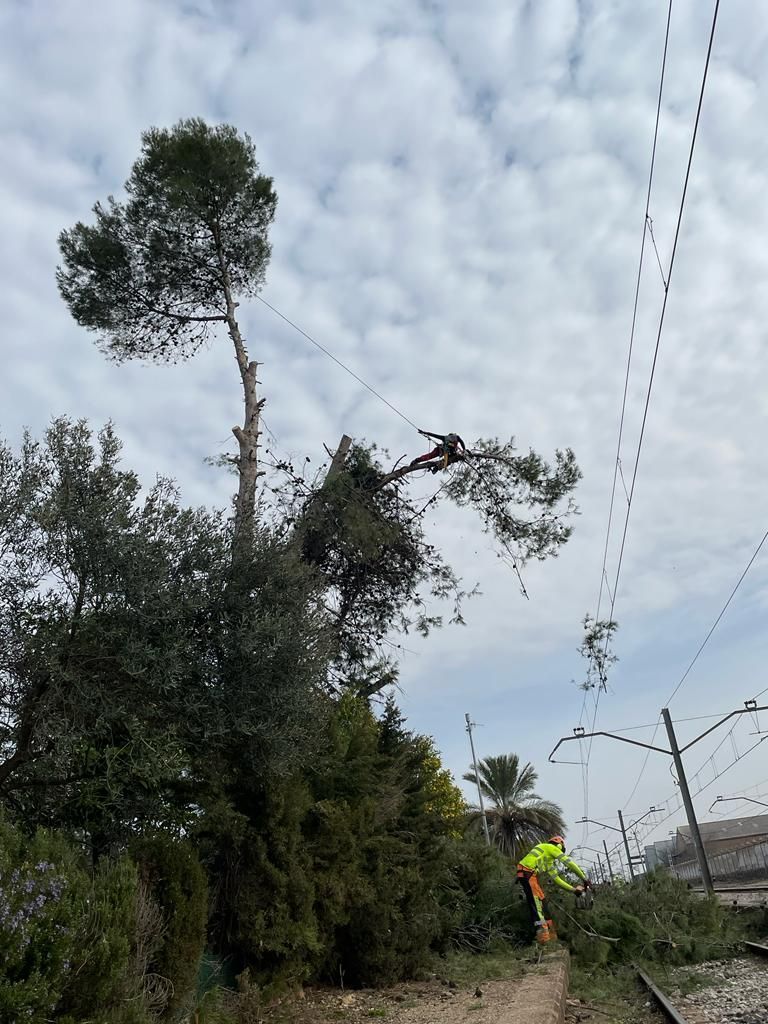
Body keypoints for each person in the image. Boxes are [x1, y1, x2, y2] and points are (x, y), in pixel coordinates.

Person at [516, 835, 590, 944]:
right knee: (537, 906)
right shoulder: (551, 847)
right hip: (527, 873)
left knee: (543, 904)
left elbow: (557, 880)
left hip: (530, 875)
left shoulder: (549, 861)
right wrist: (584, 879)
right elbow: (569, 863)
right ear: (559, 845)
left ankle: (552, 939)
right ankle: (544, 940)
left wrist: (574, 890)